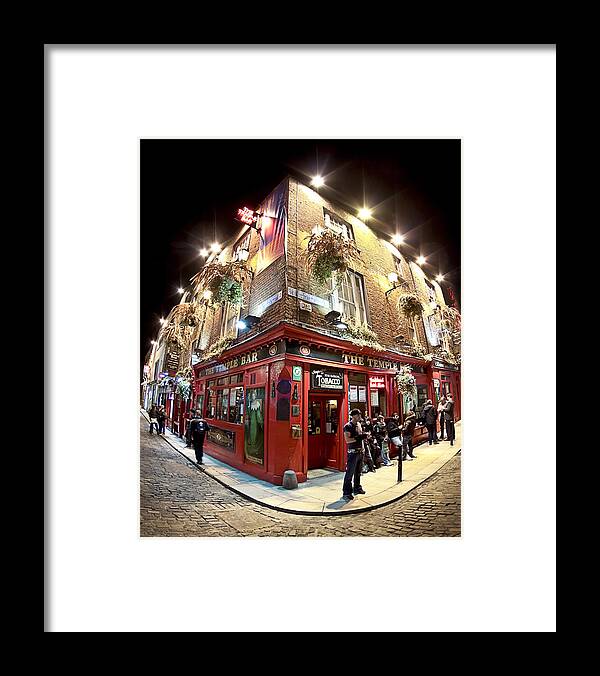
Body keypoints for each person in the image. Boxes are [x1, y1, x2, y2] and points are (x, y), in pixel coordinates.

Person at [341, 409, 366, 501]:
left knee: (358, 473)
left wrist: (363, 447)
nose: (360, 417)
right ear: (353, 416)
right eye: (358, 415)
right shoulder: (348, 426)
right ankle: (347, 492)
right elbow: (348, 440)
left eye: (360, 415)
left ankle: (357, 488)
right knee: (349, 473)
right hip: (353, 452)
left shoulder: (359, 425)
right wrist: (358, 438)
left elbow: (361, 438)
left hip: (360, 452)